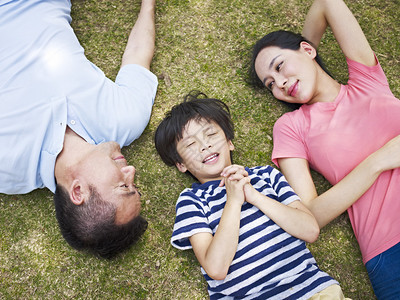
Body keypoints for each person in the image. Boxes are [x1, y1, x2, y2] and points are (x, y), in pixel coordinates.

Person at [250, 0, 400, 297]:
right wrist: (378, 162)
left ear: (307, 50)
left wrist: (308, 54)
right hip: (390, 247)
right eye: (270, 84)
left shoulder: (367, 80)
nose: (280, 83)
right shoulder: (292, 127)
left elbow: (327, 3)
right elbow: (310, 216)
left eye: (279, 66)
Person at [0, 0, 157, 258]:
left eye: (123, 186)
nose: (131, 171)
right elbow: (138, 54)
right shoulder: (125, 119)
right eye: (135, 185)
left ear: (78, 191)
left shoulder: (7, 166)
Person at [154, 91, 349, 299]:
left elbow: (310, 230)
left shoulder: (266, 175)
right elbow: (216, 268)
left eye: (210, 135)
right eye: (191, 145)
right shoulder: (191, 201)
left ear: (229, 142)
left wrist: (254, 196)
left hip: (313, 291)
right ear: (181, 164)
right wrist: (233, 202)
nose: (204, 145)